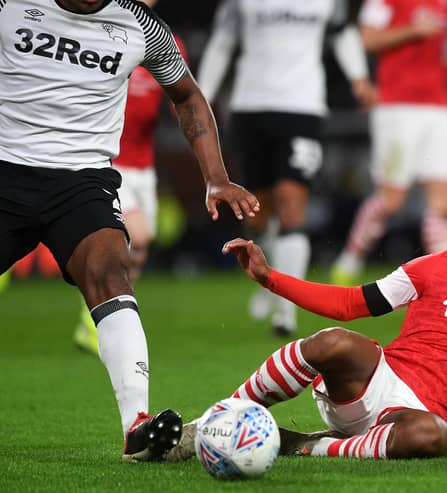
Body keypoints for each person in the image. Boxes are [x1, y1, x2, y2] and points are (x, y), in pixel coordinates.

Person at [165, 189, 447, 462]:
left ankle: (305, 445)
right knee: (335, 342)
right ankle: (211, 422)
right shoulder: (439, 266)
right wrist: (270, 278)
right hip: (374, 381)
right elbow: (350, 303)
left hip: (412, 421)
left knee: (432, 437)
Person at [0, 0, 259, 462]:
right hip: (6, 168)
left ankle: (137, 428)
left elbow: (188, 96)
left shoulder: (141, 26)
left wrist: (215, 176)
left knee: (111, 272)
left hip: (81, 183)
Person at [197, 0, 376, 337]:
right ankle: (267, 275)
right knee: (257, 214)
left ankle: (285, 312)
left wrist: (360, 78)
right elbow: (222, 42)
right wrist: (200, 97)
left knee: (293, 207)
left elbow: (342, 33)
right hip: (251, 108)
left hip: (303, 108)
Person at [73, 0, 188, 355]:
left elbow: (180, 96)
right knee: (134, 234)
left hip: (143, 162)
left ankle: (101, 315)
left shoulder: (163, 38)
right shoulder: (100, 31)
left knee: (142, 240)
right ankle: (94, 319)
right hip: (108, 156)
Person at [330, 0, 447, 285]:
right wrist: (412, 31)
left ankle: (445, 281)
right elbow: (367, 38)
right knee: (391, 199)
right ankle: (350, 259)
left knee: (444, 199)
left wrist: (445, 66)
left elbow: (427, 50)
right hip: (396, 107)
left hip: (438, 105)